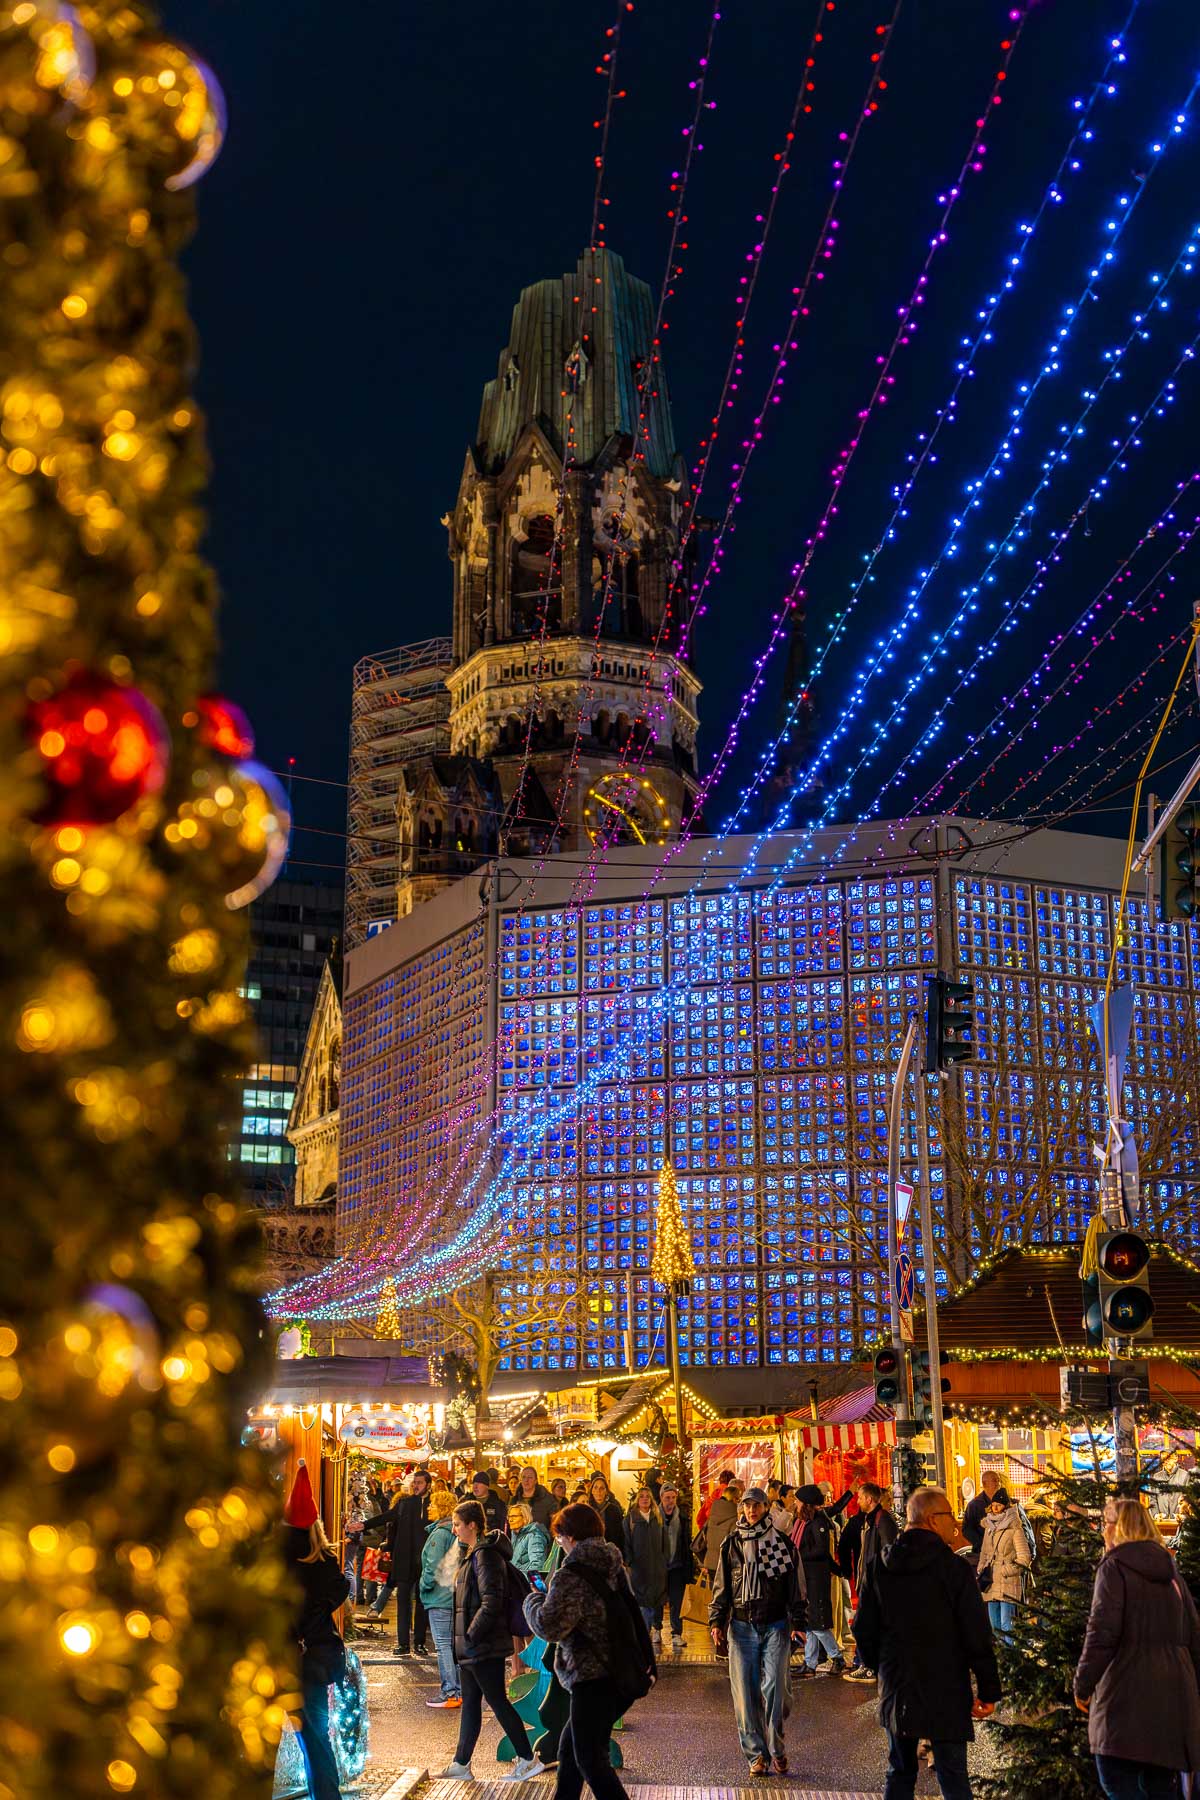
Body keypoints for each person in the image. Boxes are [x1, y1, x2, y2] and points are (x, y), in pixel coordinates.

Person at [853, 1486, 1000, 1800]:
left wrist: (882, 1668)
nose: (955, 1523)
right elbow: (976, 1634)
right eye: (949, 1515)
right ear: (933, 1520)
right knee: (952, 1774)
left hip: (898, 1683)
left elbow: (863, 1628)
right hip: (946, 1685)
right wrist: (988, 1689)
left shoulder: (880, 1566)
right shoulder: (955, 1570)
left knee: (900, 1771)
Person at [1074, 1497, 1200, 1800]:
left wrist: (1083, 1684)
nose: (1103, 1530)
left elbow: (1101, 1633)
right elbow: (1193, 1633)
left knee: (1115, 1779)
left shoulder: (1113, 1567)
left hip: (1124, 1694)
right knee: (1161, 1786)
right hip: (1172, 1698)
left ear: (1122, 1527)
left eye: (1107, 1523)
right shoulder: (1171, 1572)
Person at [523, 1501, 642, 1800]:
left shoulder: (570, 1574)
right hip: (620, 1671)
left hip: (591, 1676)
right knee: (571, 1751)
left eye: (559, 1537)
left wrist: (534, 1600)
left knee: (590, 1759)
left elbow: (549, 1627)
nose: (559, 1543)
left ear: (570, 1536)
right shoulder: (613, 1565)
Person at [439, 1500, 545, 1781]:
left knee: (498, 1702)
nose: (454, 1530)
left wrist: (472, 1634)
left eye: (458, 1524)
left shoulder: (485, 1556)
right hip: (473, 1646)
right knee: (472, 1704)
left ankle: (526, 1759)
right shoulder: (473, 1554)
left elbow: (491, 1601)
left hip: (482, 1645)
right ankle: (461, 1765)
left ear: (472, 1525)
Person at [709, 1485, 807, 1777]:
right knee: (744, 1696)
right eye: (747, 1506)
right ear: (742, 1509)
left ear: (766, 1508)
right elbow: (721, 1587)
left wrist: (799, 1625)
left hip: (775, 1625)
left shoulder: (783, 1544)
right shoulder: (731, 1544)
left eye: (757, 1505)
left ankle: (776, 1746)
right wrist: (716, 1621)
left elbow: (796, 1590)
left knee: (777, 1689)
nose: (751, 1511)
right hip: (740, 1627)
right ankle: (756, 1756)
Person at [280, 1464, 348, 1800]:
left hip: (276, 1661)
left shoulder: (275, 1559)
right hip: (313, 1665)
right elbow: (341, 1587)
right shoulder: (325, 1562)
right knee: (317, 1742)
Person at [364, 1467, 431, 1656]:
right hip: (403, 1561)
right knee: (403, 1604)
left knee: (422, 1604)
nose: (415, 1485)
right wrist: (363, 1525)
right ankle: (403, 1644)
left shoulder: (432, 1505)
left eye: (419, 1482)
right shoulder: (403, 1503)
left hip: (425, 1563)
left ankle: (419, 1642)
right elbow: (385, 1517)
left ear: (428, 1485)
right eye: (414, 1482)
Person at [844, 1482, 899, 1682]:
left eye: (859, 1497)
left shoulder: (882, 1520)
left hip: (877, 1583)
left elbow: (889, 1551)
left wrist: (880, 1578)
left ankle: (869, 1665)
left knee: (865, 1624)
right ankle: (866, 1663)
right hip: (870, 1581)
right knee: (866, 1624)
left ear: (869, 1499)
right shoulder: (871, 1519)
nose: (857, 1501)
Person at [792, 1483, 847, 1676]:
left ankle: (837, 1657)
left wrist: (798, 1554)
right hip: (806, 1576)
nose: (795, 1503)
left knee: (817, 1623)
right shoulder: (803, 1522)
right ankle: (810, 1663)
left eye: (797, 1500)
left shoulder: (818, 1523)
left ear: (806, 1503)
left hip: (816, 1577)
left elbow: (821, 1550)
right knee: (811, 1622)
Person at [419, 1488, 462, 1709]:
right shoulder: (452, 1532)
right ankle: (457, 1690)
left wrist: (423, 1587)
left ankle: (450, 1692)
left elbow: (431, 1567)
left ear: (442, 1508)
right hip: (451, 1595)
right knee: (452, 1645)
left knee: (443, 1645)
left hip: (439, 1597)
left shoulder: (439, 1534)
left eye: (433, 1504)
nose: (428, 1507)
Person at [976, 1491, 1031, 1643]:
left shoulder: (1015, 1528)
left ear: (1006, 1507)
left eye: (998, 1505)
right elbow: (984, 1551)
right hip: (991, 1580)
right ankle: (1002, 1659)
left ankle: (1011, 1659)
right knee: (995, 1626)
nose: (995, 1508)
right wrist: (981, 1567)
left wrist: (1007, 1570)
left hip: (1007, 1581)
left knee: (1007, 1625)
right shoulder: (989, 1526)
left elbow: (1024, 1557)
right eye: (993, 1505)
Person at [624, 1485, 667, 1649]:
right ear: (637, 1500)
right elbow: (627, 1543)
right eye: (641, 1496)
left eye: (647, 1496)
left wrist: (664, 1561)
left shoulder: (657, 1518)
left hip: (657, 1568)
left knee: (656, 1600)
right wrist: (629, 1563)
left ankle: (652, 1630)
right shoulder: (630, 1519)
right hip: (639, 1568)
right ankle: (644, 1633)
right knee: (643, 1602)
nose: (644, 1499)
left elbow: (664, 1543)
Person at [660, 1482, 696, 1651]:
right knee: (657, 1599)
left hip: (677, 1565)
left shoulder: (682, 1517)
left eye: (673, 1497)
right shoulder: (655, 1517)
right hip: (659, 1566)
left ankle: (676, 1633)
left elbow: (686, 1543)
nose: (671, 1501)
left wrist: (689, 1569)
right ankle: (656, 1628)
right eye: (667, 1498)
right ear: (661, 1498)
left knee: (676, 1600)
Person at [702, 1476, 743, 1587]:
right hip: (724, 1565)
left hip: (710, 1562)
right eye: (739, 1499)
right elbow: (735, 1545)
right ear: (734, 1499)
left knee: (712, 1597)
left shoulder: (713, 1513)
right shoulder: (734, 1519)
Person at [961, 1471, 1002, 1556]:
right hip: (983, 1553)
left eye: (998, 1480)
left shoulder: (1007, 1503)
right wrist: (982, 1543)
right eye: (994, 1480)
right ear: (984, 1484)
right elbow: (967, 1529)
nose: (998, 1483)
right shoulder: (974, 1505)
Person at [509, 1500, 552, 1578]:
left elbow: (537, 1565)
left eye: (514, 1516)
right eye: (509, 1516)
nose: (510, 1520)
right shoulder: (516, 1535)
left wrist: (523, 1581)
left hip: (525, 1585)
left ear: (525, 1517)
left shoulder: (534, 1536)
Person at [587, 1474, 626, 1549]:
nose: (598, 1491)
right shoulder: (587, 1509)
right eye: (596, 1488)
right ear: (592, 1490)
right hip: (591, 1551)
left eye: (602, 1488)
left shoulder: (614, 1509)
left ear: (606, 1491)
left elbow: (620, 1534)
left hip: (610, 1550)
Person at [469, 1468, 508, 1535]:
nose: (475, 1486)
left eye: (479, 1483)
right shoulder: (466, 1503)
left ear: (487, 1486)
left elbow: (503, 1526)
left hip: (491, 1542)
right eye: (474, 1483)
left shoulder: (498, 1504)